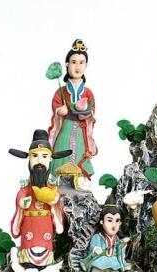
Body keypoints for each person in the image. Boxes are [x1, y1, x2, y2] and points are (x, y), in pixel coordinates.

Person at [9, 129, 71, 268]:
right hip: (29, 226)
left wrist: (54, 202)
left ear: (50, 159)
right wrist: (21, 203)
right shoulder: (26, 188)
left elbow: (57, 204)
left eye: (44, 156)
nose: (39, 161)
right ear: (29, 159)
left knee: (45, 249)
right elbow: (20, 196)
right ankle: (27, 265)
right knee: (28, 250)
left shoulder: (52, 188)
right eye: (35, 156)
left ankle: (45, 266)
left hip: (45, 226)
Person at [48, 38, 97, 186]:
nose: (77, 66)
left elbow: (92, 111)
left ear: (86, 65)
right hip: (66, 127)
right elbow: (56, 105)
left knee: (81, 153)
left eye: (81, 62)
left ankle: (79, 182)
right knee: (61, 151)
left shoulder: (88, 92)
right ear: (67, 64)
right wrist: (59, 110)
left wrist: (87, 113)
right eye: (74, 62)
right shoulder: (61, 91)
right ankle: (56, 182)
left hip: (81, 130)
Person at [81, 194, 131, 272]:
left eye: (117, 221)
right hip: (100, 262)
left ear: (120, 223)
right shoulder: (98, 237)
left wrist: (122, 245)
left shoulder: (116, 238)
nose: (114, 225)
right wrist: (96, 249)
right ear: (102, 222)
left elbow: (119, 251)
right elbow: (94, 247)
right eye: (109, 220)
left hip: (112, 262)